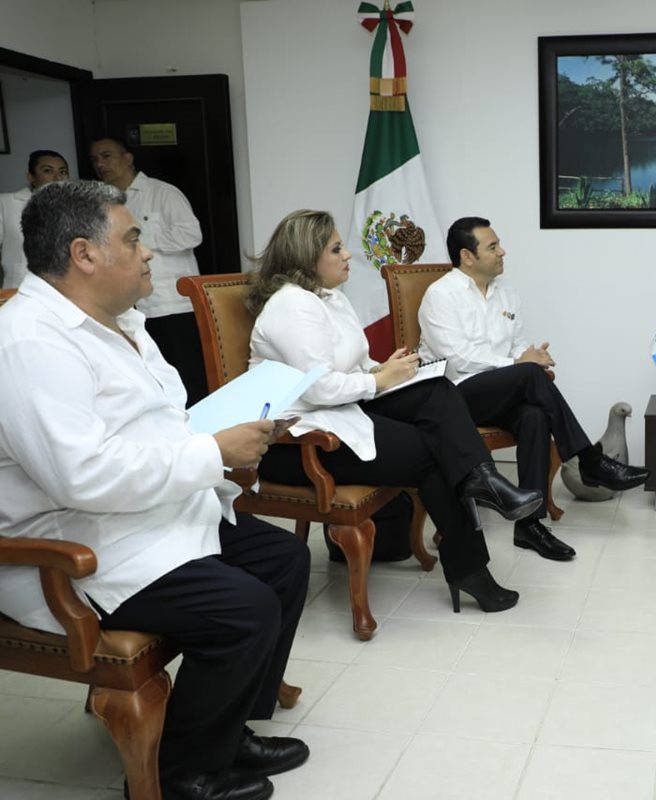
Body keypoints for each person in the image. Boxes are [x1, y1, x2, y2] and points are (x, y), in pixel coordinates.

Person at [0, 180, 309, 800]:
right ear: (84, 254)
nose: (148, 255)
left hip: (147, 515)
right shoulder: (29, 339)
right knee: (243, 611)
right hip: (76, 546)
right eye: (134, 239)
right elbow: (81, 476)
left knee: (285, 560)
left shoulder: (123, 322)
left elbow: (167, 420)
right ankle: (181, 775)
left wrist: (227, 430)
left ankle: (224, 730)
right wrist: (212, 453)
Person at [247, 209, 540, 613]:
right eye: (336, 248)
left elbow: (356, 366)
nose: (349, 254)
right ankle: (474, 550)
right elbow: (318, 387)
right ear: (306, 257)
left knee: (435, 388)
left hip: (342, 414)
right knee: (436, 452)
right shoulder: (292, 306)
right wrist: (380, 380)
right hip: (298, 442)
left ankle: (482, 487)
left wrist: (385, 369)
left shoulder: (330, 298)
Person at [418, 216, 651, 561]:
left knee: (534, 416)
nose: (502, 252)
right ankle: (589, 460)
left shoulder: (506, 292)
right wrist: (521, 365)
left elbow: (518, 345)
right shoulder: (440, 295)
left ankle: (529, 526)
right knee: (529, 376)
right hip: (452, 396)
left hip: (494, 392)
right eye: (492, 246)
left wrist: (532, 356)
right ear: (467, 257)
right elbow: (457, 360)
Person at [90, 135, 207, 406]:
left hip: (172, 302)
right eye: (95, 159)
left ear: (128, 158)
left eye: (106, 156)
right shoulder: (101, 202)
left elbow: (192, 234)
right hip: (128, 307)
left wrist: (137, 238)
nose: (100, 164)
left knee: (189, 377)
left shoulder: (163, 192)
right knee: (148, 378)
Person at [0, 149, 71, 288]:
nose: (57, 178)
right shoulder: (6, 203)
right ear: (31, 177)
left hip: (64, 291)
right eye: (48, 171)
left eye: (63, 172)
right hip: (19, 288)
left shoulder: (76, 208)